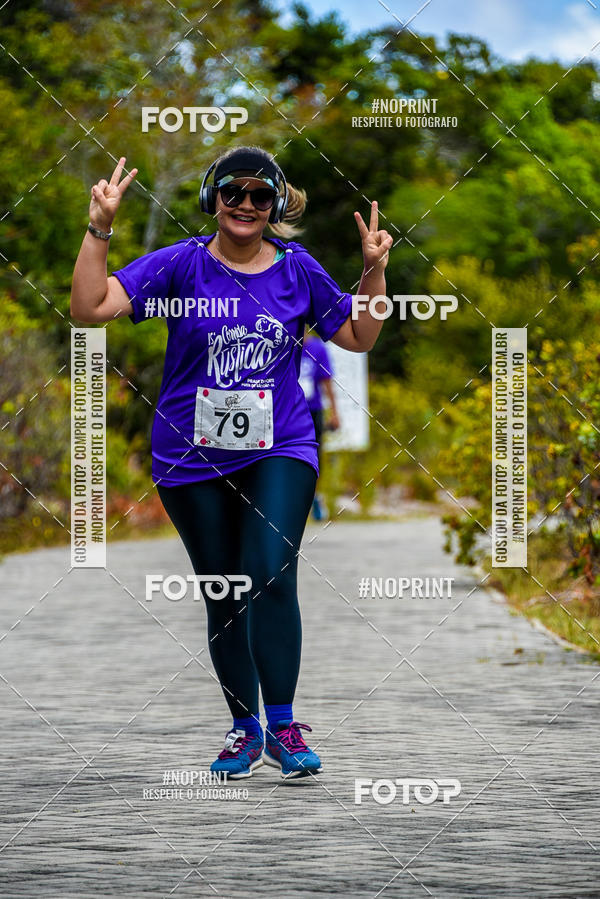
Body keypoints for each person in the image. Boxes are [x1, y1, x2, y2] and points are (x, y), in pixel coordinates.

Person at [70, 145, 392, 780]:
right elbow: (89, 309)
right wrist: (100, 227)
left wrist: (375, 272)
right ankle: (245, 729)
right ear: (212, 199)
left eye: (260, 196)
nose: (246, 205)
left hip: (281, 447)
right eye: (233, 193)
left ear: (274, 206)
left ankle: (284, 725)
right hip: (191, 458)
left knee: (270, 570)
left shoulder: (298, 270)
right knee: (226, 590)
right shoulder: (180, 267)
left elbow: (356, 335)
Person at [299, 327, 340, 520]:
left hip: (312, 410)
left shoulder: (317, 348)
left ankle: (314, 497)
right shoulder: (286, 344)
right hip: (289, 411)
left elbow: (327, 382)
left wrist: (334, 412)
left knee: (315, 456)